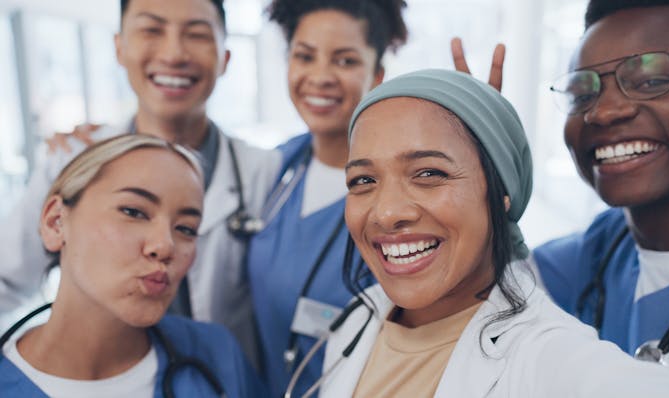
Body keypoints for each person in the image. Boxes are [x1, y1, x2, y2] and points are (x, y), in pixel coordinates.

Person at [296, 68, 669, 398]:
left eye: (429, 173)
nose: (386, 212)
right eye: (363, 179)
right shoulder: (358, 318)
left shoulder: (548, 358)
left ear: (501, 192)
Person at [482, 1, 669, 397]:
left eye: (649, 80)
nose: (605, 112)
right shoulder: (594, 253)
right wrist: (466, 160)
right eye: (581, 92)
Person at [0, 0, 281, 364]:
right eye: (152, 29)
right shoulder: (72, 157)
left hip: (220, 381)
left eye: (196, 34)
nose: (174, 53)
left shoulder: (265, 171)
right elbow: (6, 277)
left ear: (226, 57)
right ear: (119, 47)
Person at [0, 134, 262, 398]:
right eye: (133, 212)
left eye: (186, 228)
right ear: (55, 222)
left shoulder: (217, 355)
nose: (165, 246)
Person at [245, 1, 407, 396]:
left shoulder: (398, 199)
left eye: (345, 60)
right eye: (304, 56)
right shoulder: (276, 168)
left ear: (377, 76)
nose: (320, 77)